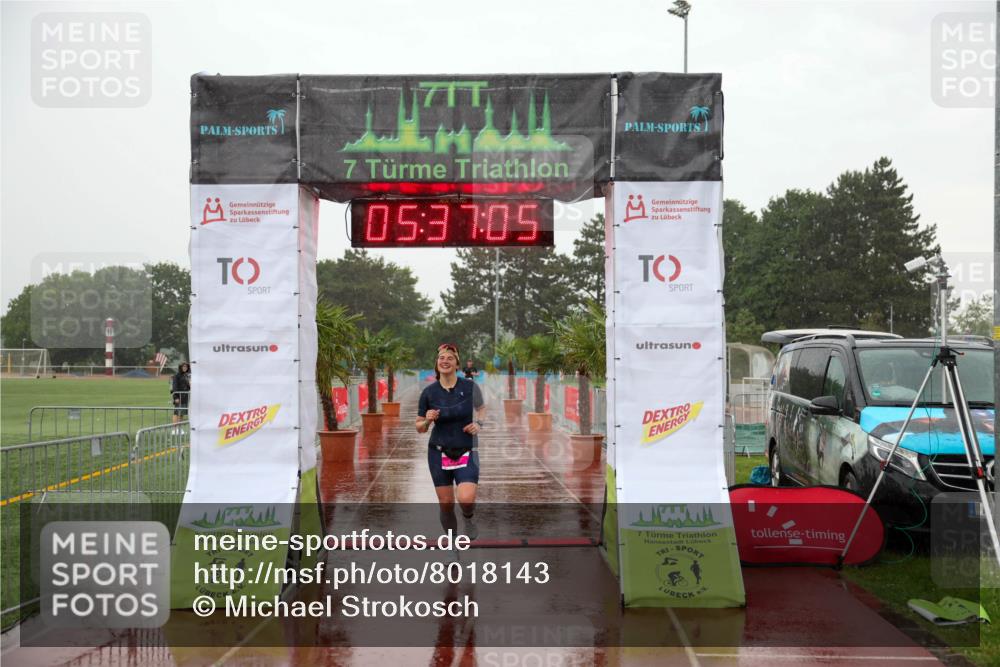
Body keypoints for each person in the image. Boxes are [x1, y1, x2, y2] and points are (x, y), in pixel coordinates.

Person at [416, 344, 485, 541]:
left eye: (450, 358)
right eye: (441, 358)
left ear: (457, 364)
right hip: (438, 452)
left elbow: (481, 408)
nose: (445, 361)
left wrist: (478, 423)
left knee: (466, 499)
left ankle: (469, 518)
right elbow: (419, 427)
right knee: (446, 504)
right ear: (436, 365)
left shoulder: (470, 387)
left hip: (466, 449)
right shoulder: (428, 393)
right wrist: (428, 420)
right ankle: (451, 544)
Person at [171, 362, 191, 426]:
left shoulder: (187, 375)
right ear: (180, 367)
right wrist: (176, 397)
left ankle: (179, 428)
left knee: (182, 413)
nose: (185, 368)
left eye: (186, 367)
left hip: (185, 396)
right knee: (176, 413)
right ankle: (175, 428)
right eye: (183, 367)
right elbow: (174, 387)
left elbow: (188, 387)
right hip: (178, 396)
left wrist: (189, 383)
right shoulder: (176, 375)